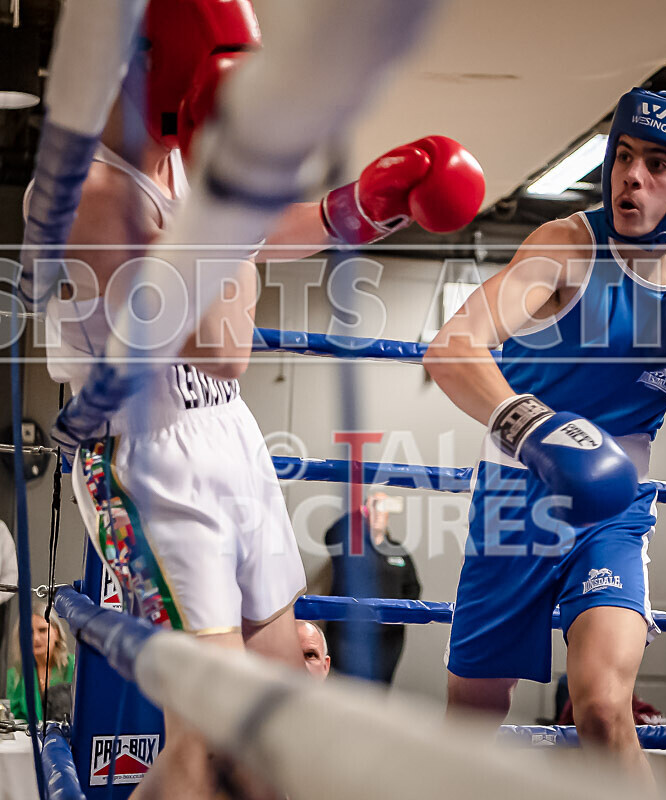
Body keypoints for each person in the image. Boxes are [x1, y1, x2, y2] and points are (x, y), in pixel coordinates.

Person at [32, 1, 483, 795]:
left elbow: (270, 228)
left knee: (273, 732)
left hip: (226, 437)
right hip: (147, 461)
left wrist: (369, 205)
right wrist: (229, 161)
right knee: (205, 741)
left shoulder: (165, 156)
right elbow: (225, 345)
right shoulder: (97, 192)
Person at [423, 87, 666, 783]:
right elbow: (452, 347)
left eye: (658, 164)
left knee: (600, 708)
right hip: (517, 496)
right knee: (471, 716)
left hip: (615, 511)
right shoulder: (567, 245)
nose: (632, 176)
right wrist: (536, 427)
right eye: (624, 156)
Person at [324, 492, 421, 684]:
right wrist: (360, 511)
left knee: (378, 692)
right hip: (348, 634)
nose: (378, 513)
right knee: (347, 691)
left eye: (383, 507)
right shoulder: (350, 545)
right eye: (373, 507)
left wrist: (397, 617)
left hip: (387, 640)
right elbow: (331, 535)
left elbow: (413, 588)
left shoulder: (398, 551)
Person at [6, 599, 75, 722]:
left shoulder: (77, 667)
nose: (36, 638)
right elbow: (14, 721)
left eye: (42, 630)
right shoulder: (14, 676)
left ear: (57, 633)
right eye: (29, 632)